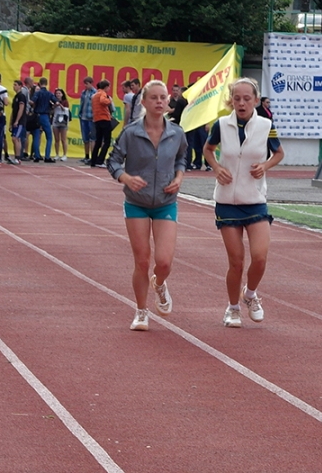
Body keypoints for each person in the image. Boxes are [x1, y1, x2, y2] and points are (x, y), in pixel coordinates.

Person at [106, 80, 188, 331]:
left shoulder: (176, 133)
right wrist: (126, 177)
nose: (160, 101)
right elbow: (113, 161)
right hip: (136, 203)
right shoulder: (131, 132)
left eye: (163, 97)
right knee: (142, 261)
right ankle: (141, 311)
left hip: (165, 202)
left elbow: (182, 158)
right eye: (154, 97)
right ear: (143, 102)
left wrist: (178, 178)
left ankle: (160, 284)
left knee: (163, 262)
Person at [204, 78, 284, 328]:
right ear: (231, 100)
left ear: (256, 101)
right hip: (227, 201)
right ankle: (233, 308)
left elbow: (278, 153)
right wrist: (216, 167)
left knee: (259, 257)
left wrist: (264, 166)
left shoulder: (267, 126)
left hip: (255, 199)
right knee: (236, 261)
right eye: (237, 98)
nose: (241, 103)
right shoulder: (221, 125)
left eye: (247, 98)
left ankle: (250, 295)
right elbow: (208, 149)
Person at [31, 77, 56, 162]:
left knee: (36, 136)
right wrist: (52, 107)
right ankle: (47, 156)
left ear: (39, 83)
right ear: (47, 83)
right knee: (49, 137)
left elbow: (32, 101)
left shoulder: (37, 93)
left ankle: (37, 155)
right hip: (45, 115)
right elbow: (56, 102)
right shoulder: (49, 93)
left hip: (37, 115)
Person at [89, 79, 113, 168]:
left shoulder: (94, 95)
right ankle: (100, 160)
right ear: (106, 87)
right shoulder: (103, 93)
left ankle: (93, 160)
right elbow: (103, 101)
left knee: (98, 141)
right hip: (104, 118)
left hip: (97, 119)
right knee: (107, 141)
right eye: (109, 87)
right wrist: (109, 100)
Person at [79, 76, 97, 164]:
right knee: (85, 137)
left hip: (91, 118)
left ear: (91, 83)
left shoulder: (95, 93)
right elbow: (81, 103)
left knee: (92, 138)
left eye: (87, 84)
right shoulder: (83, 92)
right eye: (84, 84)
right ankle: (86, 156)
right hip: (83, 117)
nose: (85, 86)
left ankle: (93, 157)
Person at [8, 79, 26, 165]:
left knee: (16, 138)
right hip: (15, 121)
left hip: (20, 121)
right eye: (13, 85)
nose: (13, 86)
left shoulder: (21, 96)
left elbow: (21, 109)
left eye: (15, 85)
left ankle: (18, 158)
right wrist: (11, 122)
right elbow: (13, 111)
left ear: (20, 86)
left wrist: (17, 120)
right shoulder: (16, 97)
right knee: (14, 139)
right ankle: (16, 157)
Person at [52, 88, 70, 161]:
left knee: (63, 139)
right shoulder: (53, 102)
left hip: (63, 121)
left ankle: (65, 154)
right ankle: (57, 154)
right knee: (56, 139)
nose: (58, 95)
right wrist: (54, 105)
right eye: (57, 93)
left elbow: (65, 110)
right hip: (55, 121)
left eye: (59, 93)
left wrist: (59, 104)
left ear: (62, 94)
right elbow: (51, 111)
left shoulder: (65, 101)